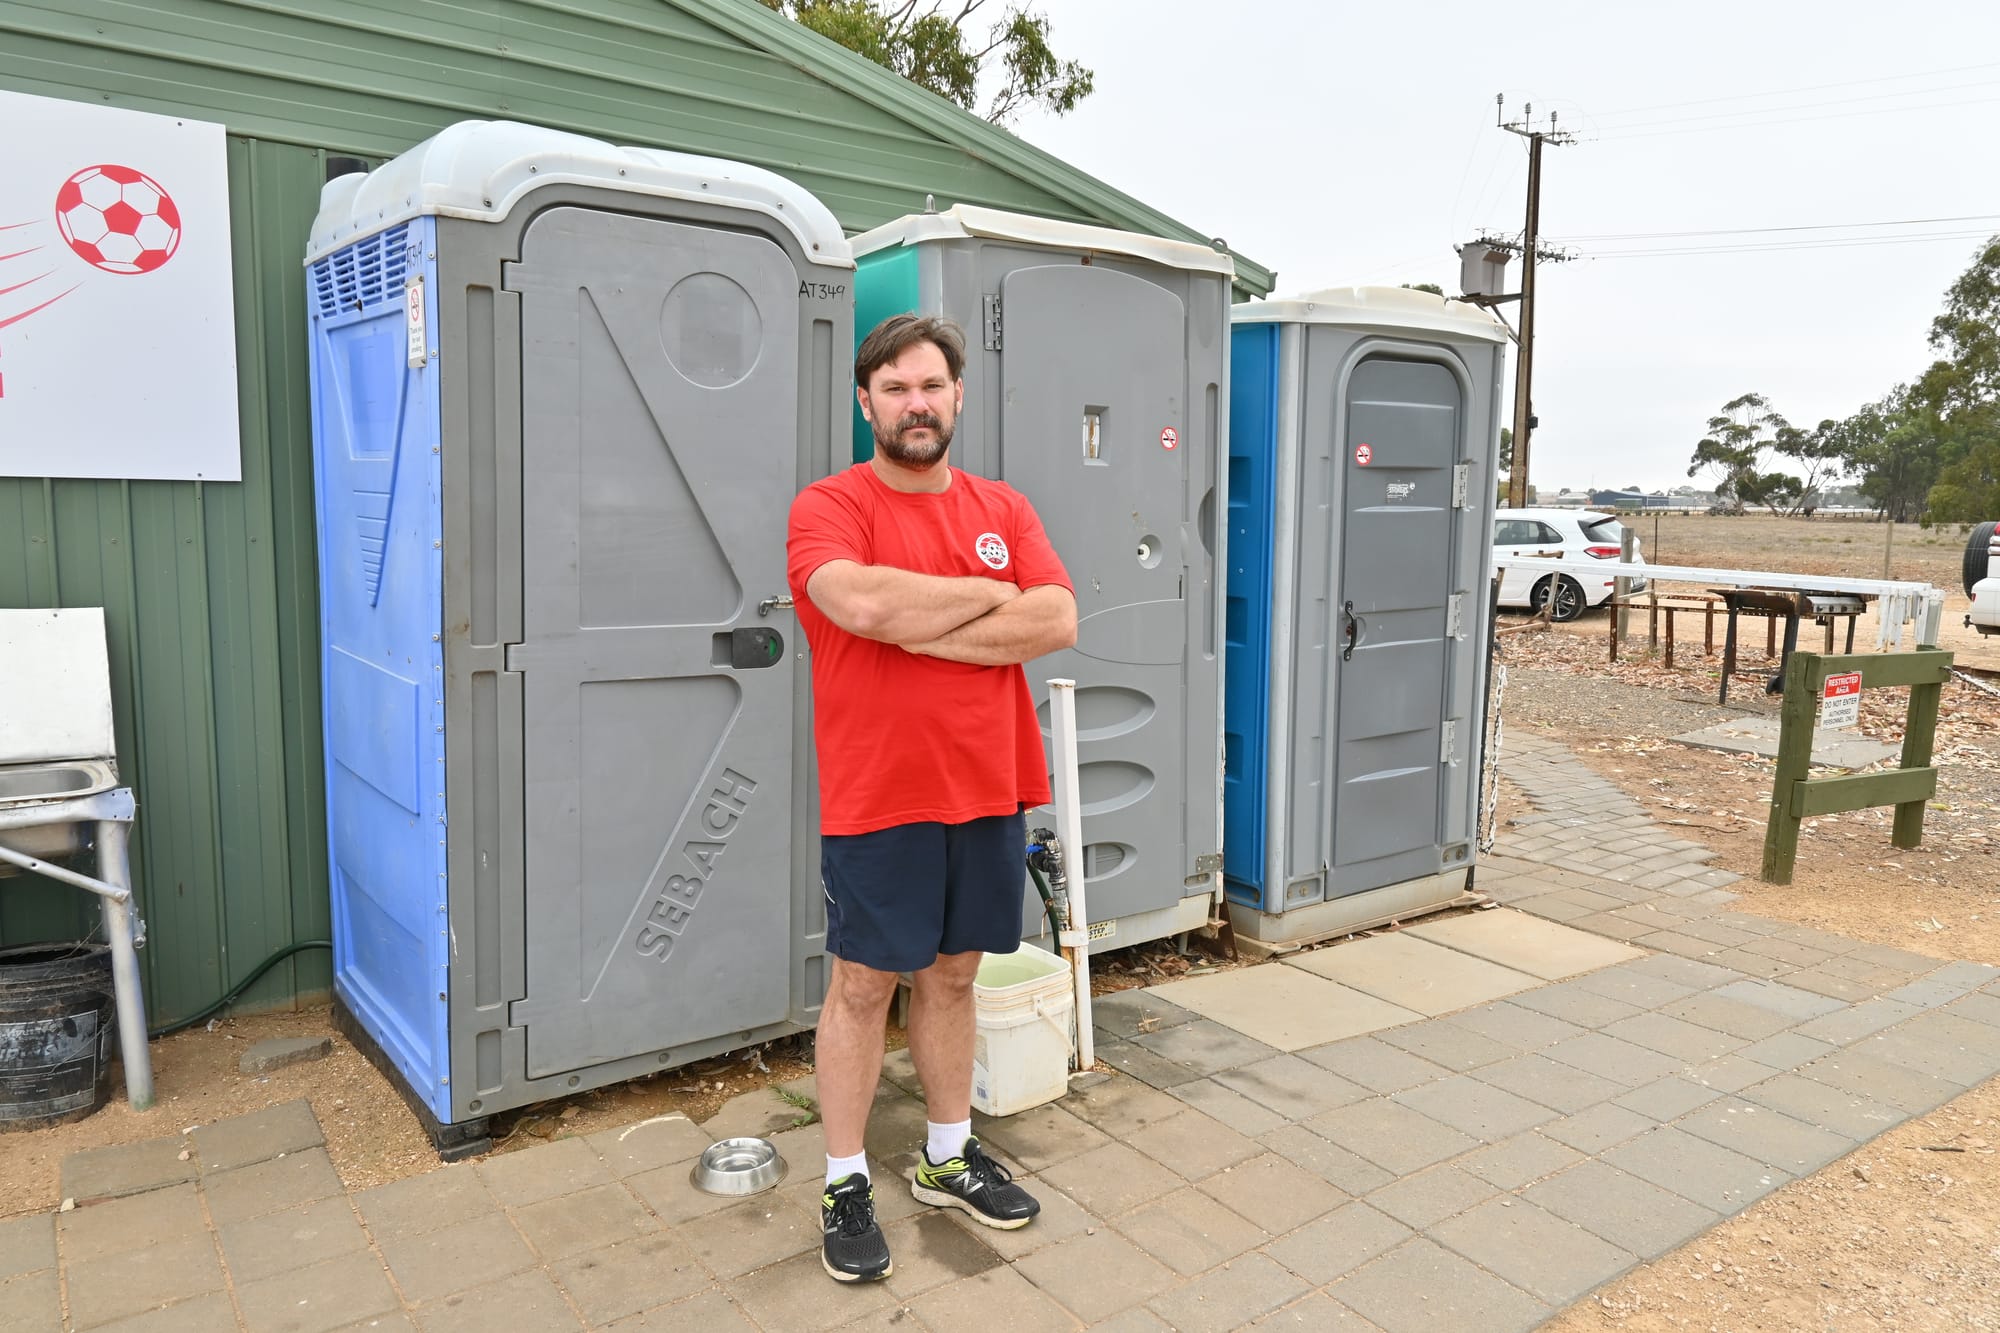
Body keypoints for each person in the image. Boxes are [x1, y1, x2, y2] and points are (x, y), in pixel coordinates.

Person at [786, 313, 1078, 1283]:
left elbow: (1057, 617)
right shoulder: (828, 504)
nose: (915, 403)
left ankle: (944, 1154)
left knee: (952, 977)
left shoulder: (1004, 504)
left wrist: (921, 616)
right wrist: (988, 599)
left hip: (988, 785)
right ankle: (840, 1178)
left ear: (957, 396)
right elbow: (859, 606)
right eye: (895, 387)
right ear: (865, 401)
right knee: (863, 986)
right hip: (878, 795)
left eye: (930, 385)